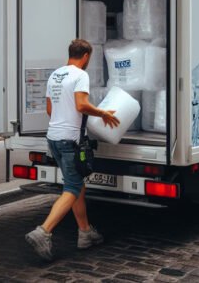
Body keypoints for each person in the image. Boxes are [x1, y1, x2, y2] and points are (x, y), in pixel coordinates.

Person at [25, 39, 119, 261]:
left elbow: (50, 109)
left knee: (76, 185)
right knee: (73, 187)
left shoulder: (56, 75)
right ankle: (44, 231)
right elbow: (81, 105)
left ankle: (85, 233)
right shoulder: (81, 75)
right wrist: (103, 114)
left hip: (54, 138)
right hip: (70, 141)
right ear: (86, 56)